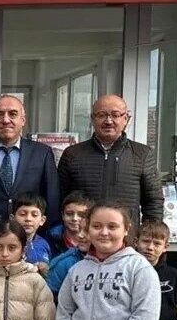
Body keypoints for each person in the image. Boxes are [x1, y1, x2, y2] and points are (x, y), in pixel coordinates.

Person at [58, 95, 163, 228]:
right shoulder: (72, 154)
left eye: (115, 115)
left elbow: (153, 202)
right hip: (83, 238)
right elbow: (60, 198)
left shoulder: (142, 154)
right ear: (92, 119)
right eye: (102, 115)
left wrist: (150, 235)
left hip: (126, 239)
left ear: (126, 119)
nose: (108, 121)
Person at [0, 95, 59, 225]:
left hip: (30, 235)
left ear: (23, 120)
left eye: (13, 114)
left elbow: (52, 197)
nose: (6, 120)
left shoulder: (42, 153)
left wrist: (48, 234)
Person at [11, 194, 52, 272]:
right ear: (12, 219)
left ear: (42, 220)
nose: (28, 219)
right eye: (23, 214)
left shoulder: (44, 244)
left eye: (34, 215)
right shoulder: (5, 242)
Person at [47, 192, 94, 256]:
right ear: (62, 215)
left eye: (82, 215)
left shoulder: (97, 243)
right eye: (69, 214)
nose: (75, 218)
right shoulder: (49, 239)